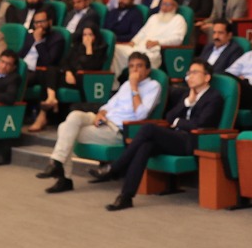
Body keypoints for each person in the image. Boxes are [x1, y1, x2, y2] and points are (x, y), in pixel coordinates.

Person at [93, 61, 226, 210]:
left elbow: (201, 124)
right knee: (145, 146)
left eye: (195, 73)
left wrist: (178, 122)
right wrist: (187, 102)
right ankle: (126, 196)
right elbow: (169, 117)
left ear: (207, 77)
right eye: (189, 73)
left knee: (148, 128)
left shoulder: (214, 97)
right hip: (177, 137)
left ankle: (116, 167)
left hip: (193, 141)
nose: (190, 76)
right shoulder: (187, 95)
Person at [40, 54, 163, 192]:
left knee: (64, 128)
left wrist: (134, 87)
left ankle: (62, 174)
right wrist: (101, 113)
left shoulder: (153, 86)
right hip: (103, 121)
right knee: (74, 116)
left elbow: (141, 115)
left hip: (118, 130)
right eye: (131, 66)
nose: (134, 70)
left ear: (147, 70)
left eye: (139, 66)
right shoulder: (126, 85)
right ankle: (58, 165)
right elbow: (108, 105)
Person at [113, 0, 188, 70]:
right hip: (138, 47)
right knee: (115, 49)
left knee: (134, 57)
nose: (164, 7)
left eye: (168, 4)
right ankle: (113, 76)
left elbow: (178, 39)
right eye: (163, 4)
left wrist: (157, 42)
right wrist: (134, 41)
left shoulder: (179, 20)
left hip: (154, 51)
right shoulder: (154, 17)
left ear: (175, 6)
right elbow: (142, 32)